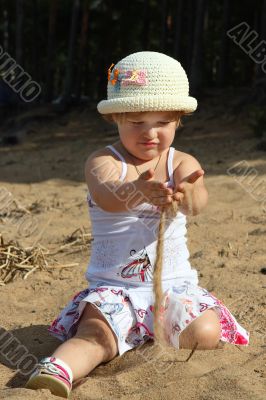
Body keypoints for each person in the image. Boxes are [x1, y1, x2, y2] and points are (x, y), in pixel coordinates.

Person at [25, 51, 249, 398]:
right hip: (116, 289)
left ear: (178, 120)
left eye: (162, 122)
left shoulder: (181, 161)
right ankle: (59, 369)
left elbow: (198, 203)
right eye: (136, 121)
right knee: (95, 337)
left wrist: (187, 194)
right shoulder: (104, 161)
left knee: (205, 332)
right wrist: (138, 190)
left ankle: (141, 336)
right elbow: (107, 196)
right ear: (115, 117)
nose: (150, 133)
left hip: (173, 288)